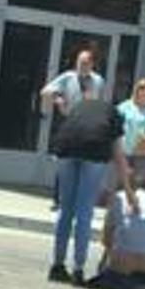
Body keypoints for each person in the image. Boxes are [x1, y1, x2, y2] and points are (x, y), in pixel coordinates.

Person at [48, 91, 135, 286]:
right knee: (84, 211)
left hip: (65, 148)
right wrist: (129, 191)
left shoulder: (80, 107)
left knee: (65, 208)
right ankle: (78, 269)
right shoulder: (115, 116)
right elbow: (119, 156)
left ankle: (57, 266)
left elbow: (66, 126)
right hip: (94, 152)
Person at [41, 48, 106, 210]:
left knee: (84, 162)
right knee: (64, 161)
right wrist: (59, 99)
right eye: (79, 62)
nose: (81, 66)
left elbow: (102, 102)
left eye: (85, 63)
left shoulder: (98, 81)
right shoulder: (68, 77)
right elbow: (45, 91)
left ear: (92, 64)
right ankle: (58, 200)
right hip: (70, 124)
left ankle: (77, 200)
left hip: (89, 126)